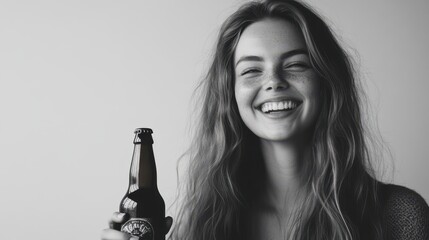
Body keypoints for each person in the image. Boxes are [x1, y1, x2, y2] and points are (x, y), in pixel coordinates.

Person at [101, 0, 429, 239]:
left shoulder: (398, 215)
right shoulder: (203, 224)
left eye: (296, 64)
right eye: (252, 70)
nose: (273, 81)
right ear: (230, 94)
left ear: (327, 81)